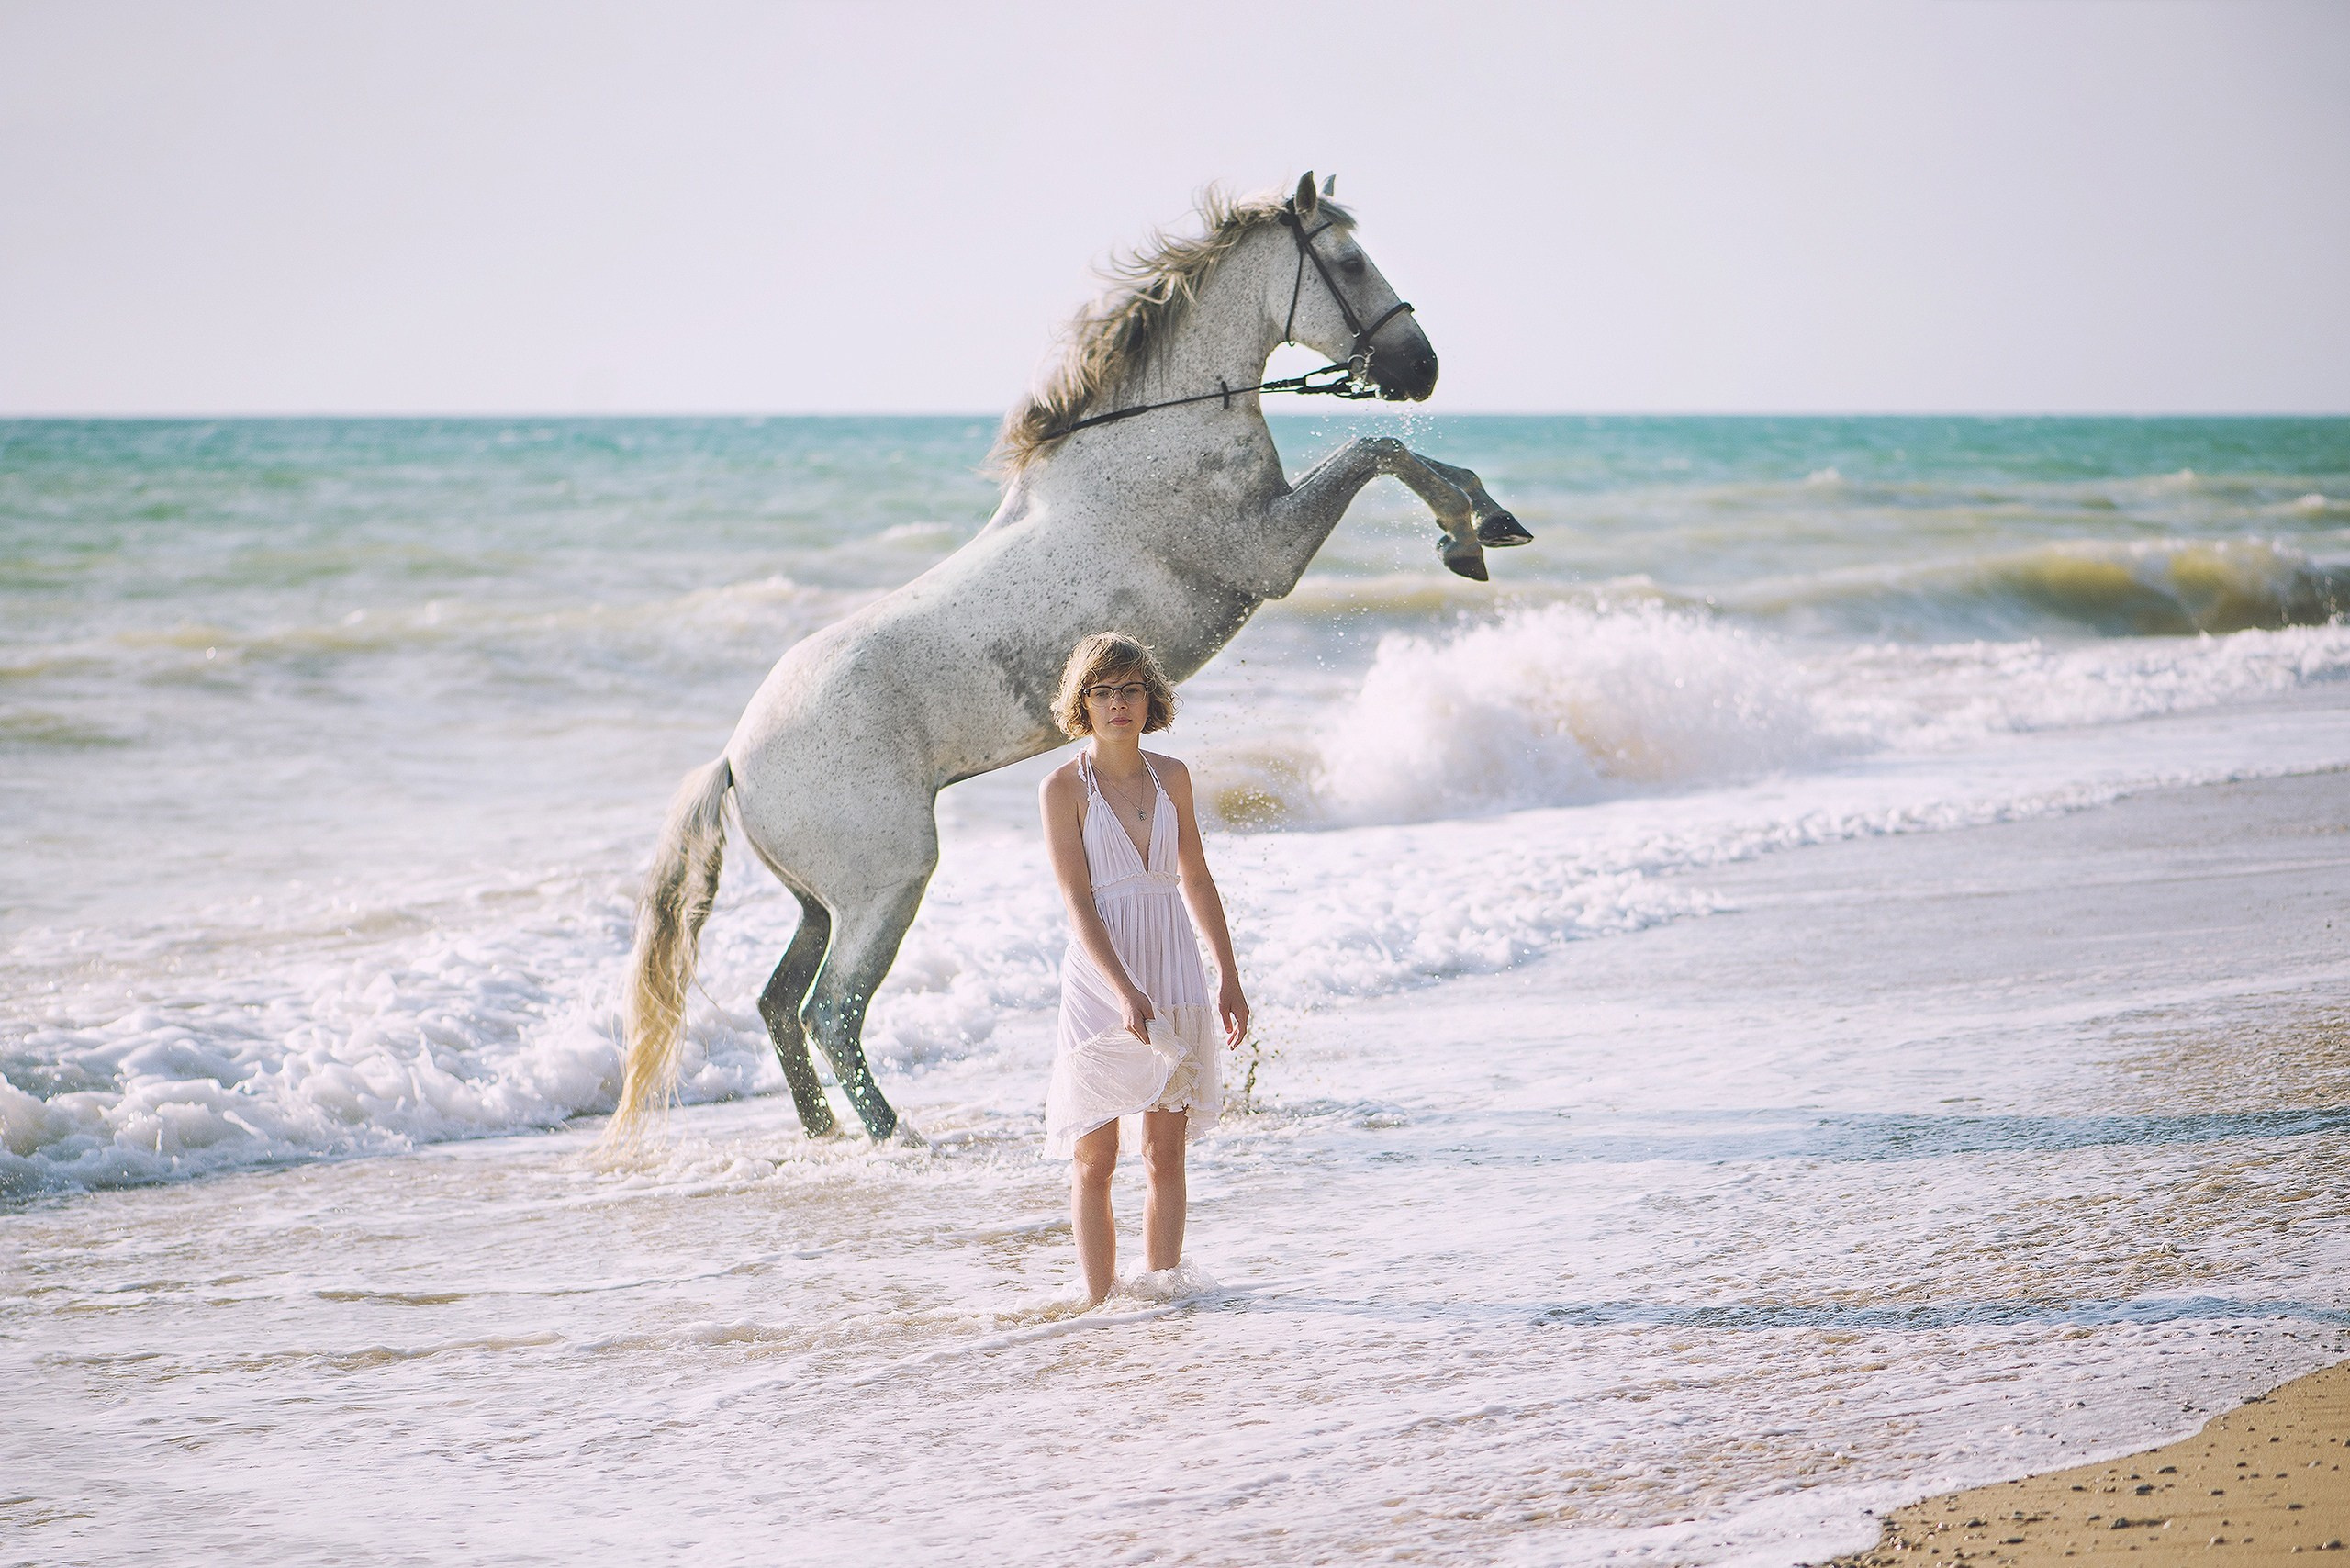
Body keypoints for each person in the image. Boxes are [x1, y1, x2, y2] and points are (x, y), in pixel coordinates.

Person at [1038, 632, 1249, 1305]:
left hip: (1171, 962)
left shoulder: (1172, 777)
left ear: (1149, 698)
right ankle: (1097, 1307)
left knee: (1165, 1151)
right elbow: (1077, 902)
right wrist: (1123, 989)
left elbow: (1196, 878)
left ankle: (1160, 1299)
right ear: (1083, 704)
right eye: (1102, 692)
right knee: (1095, 1156)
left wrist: (1229, 975)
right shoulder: (1062, 788)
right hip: (1101, 978)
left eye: (1130, 689)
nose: (1118, 704)